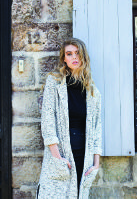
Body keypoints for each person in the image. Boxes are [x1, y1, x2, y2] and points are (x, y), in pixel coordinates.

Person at [37, 38, 102, 199]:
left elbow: (97, 127)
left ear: (84, 57)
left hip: (84, 154)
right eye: (69, 54)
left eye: (77, 53)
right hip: (61, 153)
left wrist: (96, 163)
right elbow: (47, 119)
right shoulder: (54, 82)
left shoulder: (92, 90)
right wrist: (57, 156)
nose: (74, 57)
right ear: (64, 59)